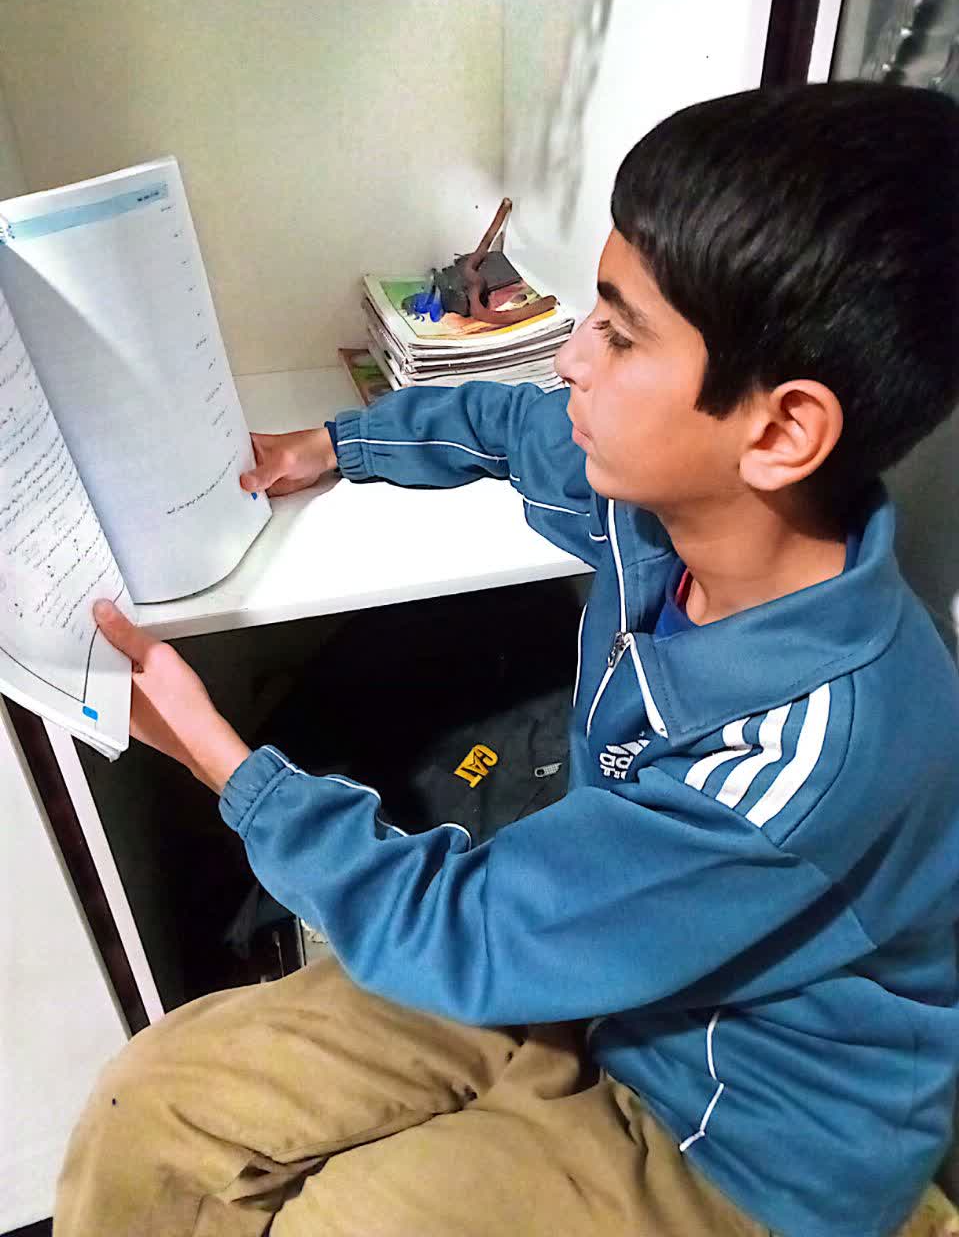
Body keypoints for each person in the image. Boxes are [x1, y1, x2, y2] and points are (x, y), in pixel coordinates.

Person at [55, 81, 959, 1237]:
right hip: (585, 965)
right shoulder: (661, 512)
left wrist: (223, 762)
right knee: (155, 1102)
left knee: (339, 1222)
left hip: (730, 1135)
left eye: (618, 333)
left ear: (780, 429)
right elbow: (512, 426)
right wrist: (334, 442)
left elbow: (463, 931)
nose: (571, 358)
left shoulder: (806, 754)